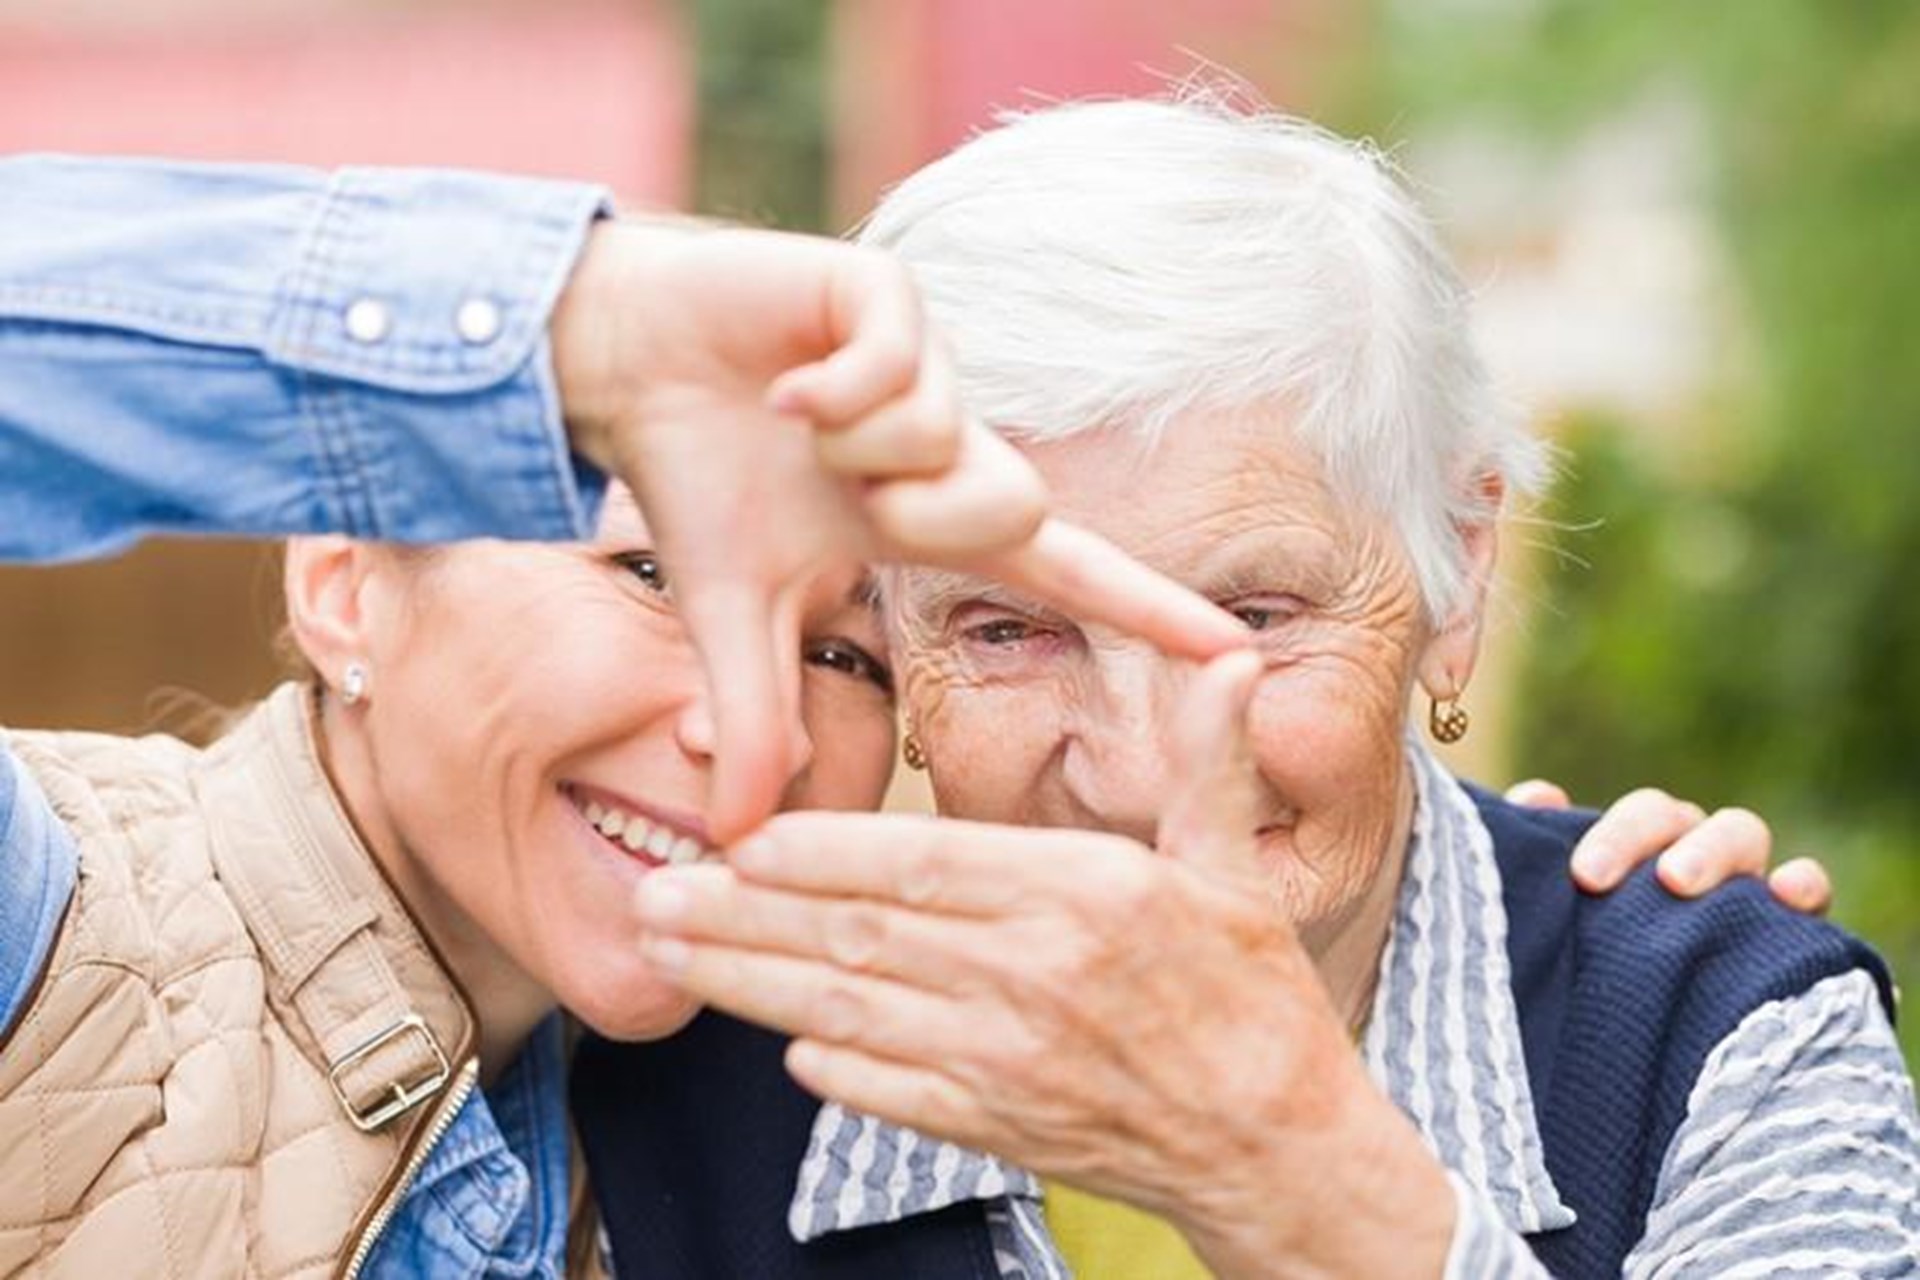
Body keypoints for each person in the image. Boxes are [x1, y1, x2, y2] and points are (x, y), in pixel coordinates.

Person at [0, 153, 1804, 1280]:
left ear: (1451, 583)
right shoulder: (58, 923)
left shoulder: (1699, 1025)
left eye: (845, 654)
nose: (754, 733)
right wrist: (545, 323)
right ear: (342, 572)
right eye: (651, 572)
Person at [622, 95, 1920, 1278]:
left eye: (1251, 620)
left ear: (1458, 575)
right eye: (1009, 630)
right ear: (891, 630)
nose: (1138, 777)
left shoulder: (1720, 1029)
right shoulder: (679, 1059)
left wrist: (1303, 1186)